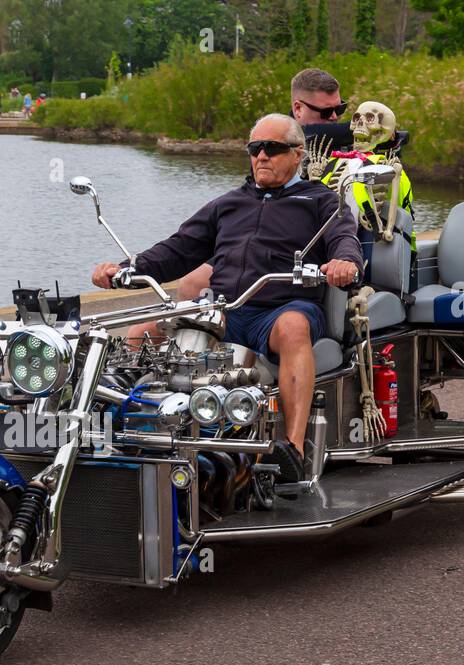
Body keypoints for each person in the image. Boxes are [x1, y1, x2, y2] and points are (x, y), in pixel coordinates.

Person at [90, 112, 363, 480]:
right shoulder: (229, 203)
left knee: (294, 327)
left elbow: (344, 237)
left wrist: (344, 261)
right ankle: (111, 428)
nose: (262, 156)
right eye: (255, 149)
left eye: (272, 148)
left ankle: (293, 449)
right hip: (226, 308)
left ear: (297, 154)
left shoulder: (320, 200)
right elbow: (178, 248)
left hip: (281, 308)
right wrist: (125, 269)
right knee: (143, 330)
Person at [177, 67, 351, 302]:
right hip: (262, 229)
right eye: (326, 111)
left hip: (311, 236)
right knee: (191, 283)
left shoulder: (349, 142)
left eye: (339, 109)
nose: (334, 117)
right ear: (298, 109)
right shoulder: (275, 137)